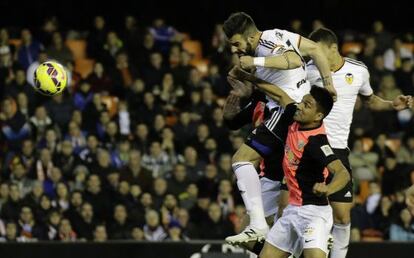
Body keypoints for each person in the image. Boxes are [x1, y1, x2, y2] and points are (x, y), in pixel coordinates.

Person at [222, 11, 335, 243]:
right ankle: (304, 233)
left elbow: (293, 60)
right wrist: (328, 83)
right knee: (275, 182)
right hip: (292, 115)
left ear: (249, 37)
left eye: (236, 43)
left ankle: (259, 225)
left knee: (241, 160)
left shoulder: (264, 47)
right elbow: (314, 49)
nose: (235, 50)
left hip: (286, 111)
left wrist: (254, 63)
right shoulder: (279, 35)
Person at [305, 28, 412, 258]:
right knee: (300, 212)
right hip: (308, 149)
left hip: (338, 150)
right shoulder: (308, 70)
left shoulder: (358, 70)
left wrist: (392, 104)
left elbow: (370, 100)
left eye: (318, 51)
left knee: (343, 216)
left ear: (333, 48)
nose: (315, 57)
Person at [236, 74, 350, 258]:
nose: (300, 107)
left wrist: (328, 189)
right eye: (303, 102)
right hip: (292, 211)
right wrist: (250, 77)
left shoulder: (317, 142)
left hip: (314, 214)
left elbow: (342, 174)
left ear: (318, 116)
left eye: (307, 105)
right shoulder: (294, 119)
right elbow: (281, 95)